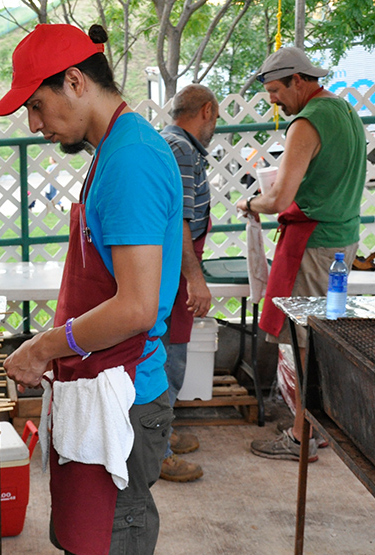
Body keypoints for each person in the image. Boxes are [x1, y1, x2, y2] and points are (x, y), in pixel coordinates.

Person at [0, 23, 182, 555]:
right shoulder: (117, 149)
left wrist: (46, 346)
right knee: (101, 546)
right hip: (101, 386)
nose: (37, 125)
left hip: (124, 397)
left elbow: (135, 306)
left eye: (37, 107)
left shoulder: (130, 160)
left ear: (76, 80)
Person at [235, 47, 366, 463]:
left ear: (298, 80)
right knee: (324, 337)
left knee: (307, 342)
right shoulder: (344, 111)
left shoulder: (306, 122)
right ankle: (318, 427)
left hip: (315, 242)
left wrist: (251, 203)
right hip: (344, 238)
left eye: (275, 89)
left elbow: (279, 200)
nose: (273, 99)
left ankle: (300, 436)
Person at [158, 84, 218, 483]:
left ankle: (161, 433)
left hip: (175, 268)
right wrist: (194, 278)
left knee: (167, 357)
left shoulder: (177, 145)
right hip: (173, 271)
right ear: (207, 111)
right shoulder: (179, 149)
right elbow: (176, 220)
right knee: (168, 362)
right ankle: (157, 450)